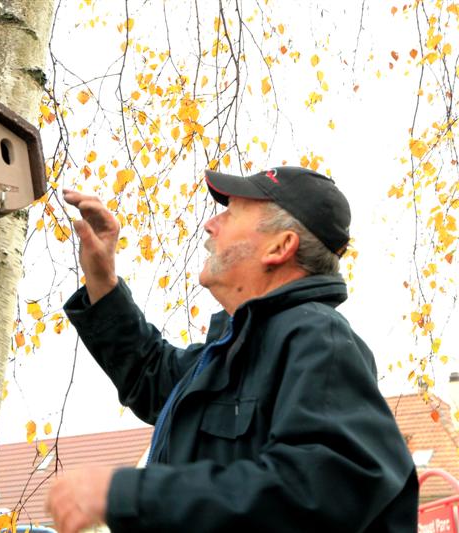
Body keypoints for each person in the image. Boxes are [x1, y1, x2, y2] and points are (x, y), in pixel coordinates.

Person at [45, 167, 418, 532]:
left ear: (280, 246)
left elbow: (315, 491)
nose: (210, 224)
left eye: (231, 212)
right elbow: (152, 375)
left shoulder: (318, 338)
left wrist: (126, 494)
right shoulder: (232, 351)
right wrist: (101, 278)